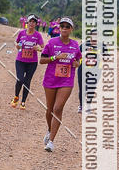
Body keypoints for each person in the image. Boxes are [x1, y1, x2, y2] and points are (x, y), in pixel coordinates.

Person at [39, 17, 82, 152]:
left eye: (67, 26)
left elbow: (79, 59)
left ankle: (51, 141)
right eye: (62, 26)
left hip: (66, 81)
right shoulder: (52, 43)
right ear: (59, 28)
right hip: (51, 80)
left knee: (58, 109)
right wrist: (54, 58)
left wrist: (77, 63)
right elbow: (42, 60)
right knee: (50, 109)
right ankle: (49, 129)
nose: (64, 28)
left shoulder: (75, 45)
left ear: (71, 29)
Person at [10, 14, 43, 109]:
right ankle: (16, 97)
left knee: (27, 81)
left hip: (32, 62)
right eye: (30, 21)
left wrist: (39, 48)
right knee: (20, 79)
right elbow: (16, 42)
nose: (32, 23)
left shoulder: (38, 35)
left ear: (36, 24)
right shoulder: (21, 33)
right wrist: (17, 45)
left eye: (34, 22)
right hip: (20, 60)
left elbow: (42, 46)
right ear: (27, 23)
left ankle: (23, 101)